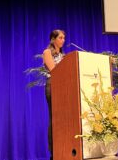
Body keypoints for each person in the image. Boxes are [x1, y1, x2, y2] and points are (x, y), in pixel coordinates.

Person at [43, 29, 66, 158]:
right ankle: (54, 151)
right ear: (53, 39)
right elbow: (54, 70)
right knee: (54, 118)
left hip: (65, 87)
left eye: (64, 38)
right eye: (60, 38)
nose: (63, 40)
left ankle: (64, 147)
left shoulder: (64, 56)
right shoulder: (47, 53)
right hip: (53, 85)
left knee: (63, 119)